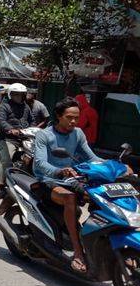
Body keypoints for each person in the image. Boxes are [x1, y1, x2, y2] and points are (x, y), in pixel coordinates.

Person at [33, 97, 129, 273]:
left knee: (101, 196)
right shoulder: (44, 135)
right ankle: (77, 252)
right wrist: (59, 171)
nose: (74, 121)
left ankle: (97, 239)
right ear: (58, 116)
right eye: (69, 117)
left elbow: (92, 158)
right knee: (70, 199)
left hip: (73, 178)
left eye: (76, 117)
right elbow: (40, 163)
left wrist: (117, 167)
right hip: (48, 180)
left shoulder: (77, 133)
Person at [0, 83, 34, 199]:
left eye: (21, 95)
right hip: (7, 138)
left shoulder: (26, 107)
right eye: (16, 95)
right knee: (7, 159)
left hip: (24, 138)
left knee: (33, 156)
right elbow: (0, 119)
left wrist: (34, 129)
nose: (18, 97)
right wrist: (10, 129)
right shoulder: (4, 106)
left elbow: (32, 120)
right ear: (11, 95)